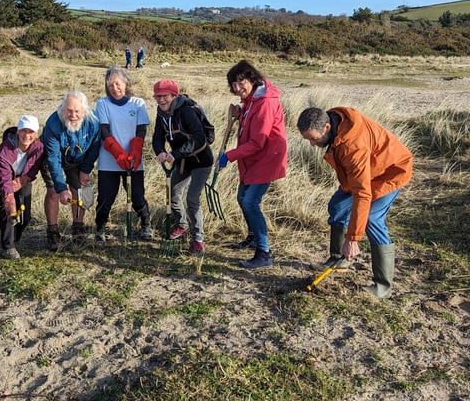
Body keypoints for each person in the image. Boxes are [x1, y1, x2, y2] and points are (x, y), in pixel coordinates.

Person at [297, 107, 413, 299]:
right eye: (307, 139)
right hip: (365, 172)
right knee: (338, 206)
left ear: (326, 127)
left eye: (313, 139)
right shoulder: (336, 122)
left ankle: (383, 286)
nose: (311, 144)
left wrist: (353, 238)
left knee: (372, 219)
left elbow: (362, 193)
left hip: (390, 171)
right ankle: (338, 260)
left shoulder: (353, 145)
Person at [218, 60, 288, 269]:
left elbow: (258, 142)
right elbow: (251, 122)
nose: (238, 88)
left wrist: (229, 156)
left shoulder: (265, 103)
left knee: (250, 202)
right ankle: (253, 237)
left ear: (252, 79)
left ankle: (263, 252)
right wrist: (241, 115)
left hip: (266, 159)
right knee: (242, 198)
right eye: (234, 84)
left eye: (241, 82)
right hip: (253, 160)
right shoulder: (252, 100)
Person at [152, 79, 213, 254]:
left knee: (192, 198)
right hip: (183, 162)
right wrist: (160, 151)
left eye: (165, 96)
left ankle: (198, 239)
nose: (161, 100)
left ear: (174, 95)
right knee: (173, 193)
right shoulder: (161, 114)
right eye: (158, 97)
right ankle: (182, 224)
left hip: (201, 161)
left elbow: (199, 137)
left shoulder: (186, 111)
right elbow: (157, 137)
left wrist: (176, 154)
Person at [94, 65, 152, 242]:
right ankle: (100, 228)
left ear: (126, 83)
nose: (115, 88)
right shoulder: (102, 104)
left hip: (134, 160)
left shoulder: (138, 103)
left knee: (137, 197)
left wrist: (135, 151)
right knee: (105, 199)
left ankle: (146, 225)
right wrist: (118, 153)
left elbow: (141, 130)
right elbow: (104, 130)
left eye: (118, 84)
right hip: (109, 161)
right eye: (110, 85)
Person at [41, 90, 101, 250]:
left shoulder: (93, 122)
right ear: (63, 109)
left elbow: (95, 147)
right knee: (54, 191)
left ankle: (78, 228)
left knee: (79, 189)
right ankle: (52, 231)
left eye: (77, 111)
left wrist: (86, 170)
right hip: (54, 158)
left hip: (79, 160)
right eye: (69, 111)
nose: (73, 115)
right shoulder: (53, 124)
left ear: (84, 111)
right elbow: (53, 159)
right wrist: (61, 188)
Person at [0, 115, 45, 259]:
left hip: (23, 179)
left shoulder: (39, 148)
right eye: (24, 131)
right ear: (18, 131)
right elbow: (4, 181)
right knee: (9, 210)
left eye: (31, 132)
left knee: (25, 215)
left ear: (36, 134)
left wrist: (21, 181)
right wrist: (10, 203)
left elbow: (33, 170)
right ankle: (8, 246)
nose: (27, 135)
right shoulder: (4, 150)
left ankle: (15, 236)